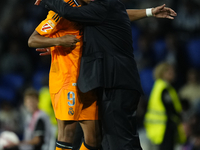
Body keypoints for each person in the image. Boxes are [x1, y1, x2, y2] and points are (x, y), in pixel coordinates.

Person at [34, 0, 177, 149]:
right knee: (105, 137)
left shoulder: (98, 8)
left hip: (114, 82)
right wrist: (150, 12)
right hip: (98, 81)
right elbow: (34, 38)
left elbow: (70, 12)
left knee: (116, 139)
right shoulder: (106, 8)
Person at [28, 0, 101, 150]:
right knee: (67, 134)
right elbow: (32, 40)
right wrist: (59, 41)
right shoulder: (61, 10)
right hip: (67, 80)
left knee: (94, 137)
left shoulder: (90, 8)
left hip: (87, 78)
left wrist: (149, 12)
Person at [144, 62, 186, 150]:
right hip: (164, 127)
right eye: (170, 72)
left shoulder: (159, 86)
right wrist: (181, 118)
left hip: (159, 127)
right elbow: (170, 108)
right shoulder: (164, 88)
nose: (173, 74)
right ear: (162, 73)